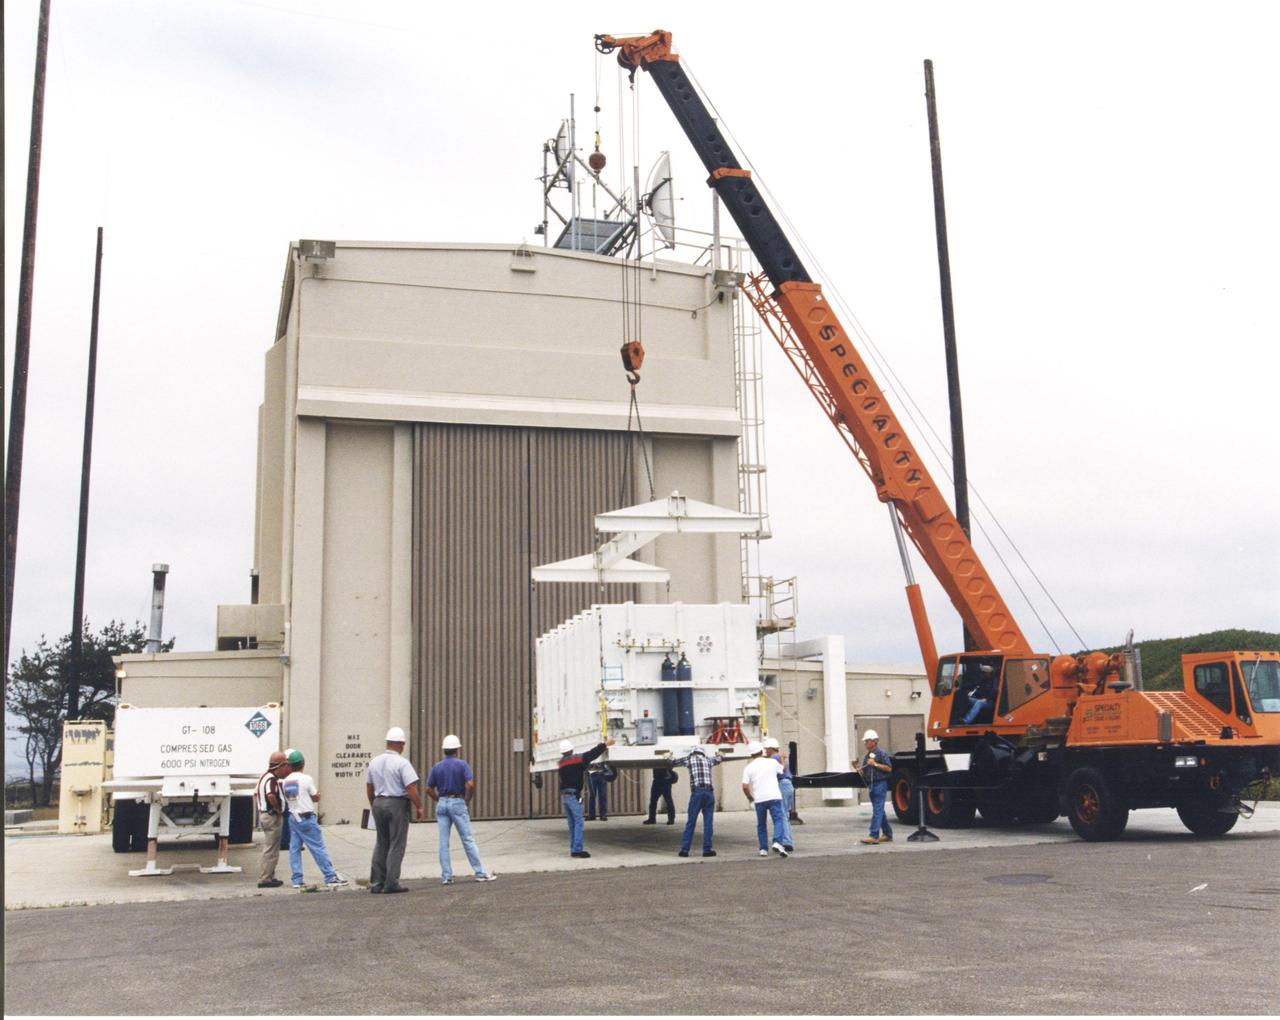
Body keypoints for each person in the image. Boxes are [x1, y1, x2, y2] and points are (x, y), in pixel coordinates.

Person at [425, 733, 496, 884]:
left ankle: (446, 876)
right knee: (467, 839)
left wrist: (439, 799)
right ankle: (479, 872)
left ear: (444, 750)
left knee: (443, 842)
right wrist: (467, 799)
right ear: (457, 749)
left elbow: (428, 789)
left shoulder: (437, 767)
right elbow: (470, 784)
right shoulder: (462, 765)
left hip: (442, 803)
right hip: (457, 802)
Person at [364, 726, 425, 894]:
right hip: (396, 804)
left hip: (378, 802)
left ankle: (377, 882)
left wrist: (373, 803)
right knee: (397, 843)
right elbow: (411, 787)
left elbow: (369, 786)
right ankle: (391, 883)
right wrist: (419, 806)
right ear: (400, 744)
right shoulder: (402, 763)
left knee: (381, 842)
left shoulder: (375, 761)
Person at [282, 749, 347, 889]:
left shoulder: (286, 781)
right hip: (306, 817)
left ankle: (297, 880)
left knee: (294, 849)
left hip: (293, 817)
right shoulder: (307, 779)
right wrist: (316, 795)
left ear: (290, 765)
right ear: (303, 763)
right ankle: (330, 876)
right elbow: (315, 796)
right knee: (318, 847)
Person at [557, 739, 612, 858]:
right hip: (572, 796)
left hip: (565, 797)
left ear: (562, 752)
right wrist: (605, 744)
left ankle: (573, 848)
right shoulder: (576, 759)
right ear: (571, 749)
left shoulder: (561, 763)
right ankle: (577, 850)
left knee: (572, 823)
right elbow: (592, 754)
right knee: (578, 822)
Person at [667, 745, 723, 857]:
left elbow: (673, 762)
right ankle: (707, 850)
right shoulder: (708, 759)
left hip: (697, 793)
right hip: (709, 793)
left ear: (693, 752)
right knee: (708, 823)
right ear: (703, 753)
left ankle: (685, 850)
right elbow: (719, 759)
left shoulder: (689, 759)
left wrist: (668, 756)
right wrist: (720, 754)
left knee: (691, 822)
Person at [742, 742, 789, 858]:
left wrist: (750, 799)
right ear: (761, 751)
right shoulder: (772, 762)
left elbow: (745, 786)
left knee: (761, 824)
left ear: (751, 754)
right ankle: (777, 842)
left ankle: (763, 849)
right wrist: (782, 758)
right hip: (774, 796)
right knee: (778, 820)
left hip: (759, 799)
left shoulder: (748, 768)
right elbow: (782, 770)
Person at [255, 750, 292, 888]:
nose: (287, 768)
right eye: (285, 765)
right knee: (271, 848)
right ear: (280, 766)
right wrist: (278, 809)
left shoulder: (265, 777)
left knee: (272, 847)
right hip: (271, 816)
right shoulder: (271, 779)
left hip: (266, 815)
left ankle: (270, 875)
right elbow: (271, 795)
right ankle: (266, 878)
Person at [858, 729, 894, 845]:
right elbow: (865, 770)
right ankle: (888, 834)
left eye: (867, 741)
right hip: (872, 785)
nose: (865, 743)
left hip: (880, 784)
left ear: (873, 741)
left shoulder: (881, 754)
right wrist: (859, 770)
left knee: (877, 810)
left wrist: (875, 764)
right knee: (879, 810)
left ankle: (873, 835)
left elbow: (889, 768)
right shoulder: (867, 756)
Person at [764, 737, 794, 852]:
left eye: (767, 748)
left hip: (782, 784)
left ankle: (786, 842)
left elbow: (781, 769)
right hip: (787, 785)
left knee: (782, 814)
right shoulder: (778, 757)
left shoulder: (774, 758)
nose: (766, 751)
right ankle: (785, 840)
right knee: (784, 814)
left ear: (771, 748)